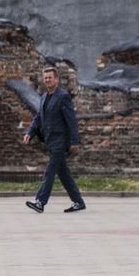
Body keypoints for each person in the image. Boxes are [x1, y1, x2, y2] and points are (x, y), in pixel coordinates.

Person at [22, 65, 85, 213]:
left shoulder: (63, 96)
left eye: (50, 77)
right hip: (50, 140)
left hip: (60, 141)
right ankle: (78, 202)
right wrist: (30, 132)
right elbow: (39, 117)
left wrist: (74, 141)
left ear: (56, 79)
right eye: (45, 78)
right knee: (63, 174)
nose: (47, 80)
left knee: (50, 171)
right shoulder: (44, 97)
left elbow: (71, 120)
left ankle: (40, 202)